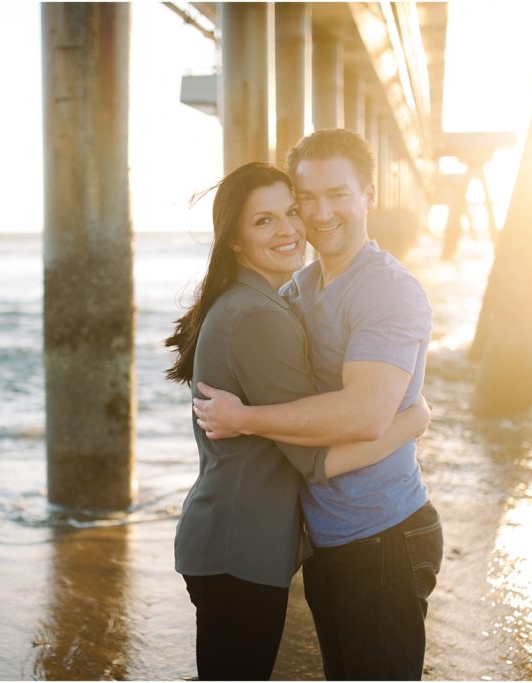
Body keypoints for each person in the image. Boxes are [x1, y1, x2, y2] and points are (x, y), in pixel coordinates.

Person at [165, 161, 431, 681]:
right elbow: (314, 459)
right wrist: (413, 419)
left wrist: (248, 420)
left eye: (290, 211)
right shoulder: (261, 314)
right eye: (263, 221)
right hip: (241, 546)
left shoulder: (268, 299)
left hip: (235, 541)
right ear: (235, 242)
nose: (288, 228)